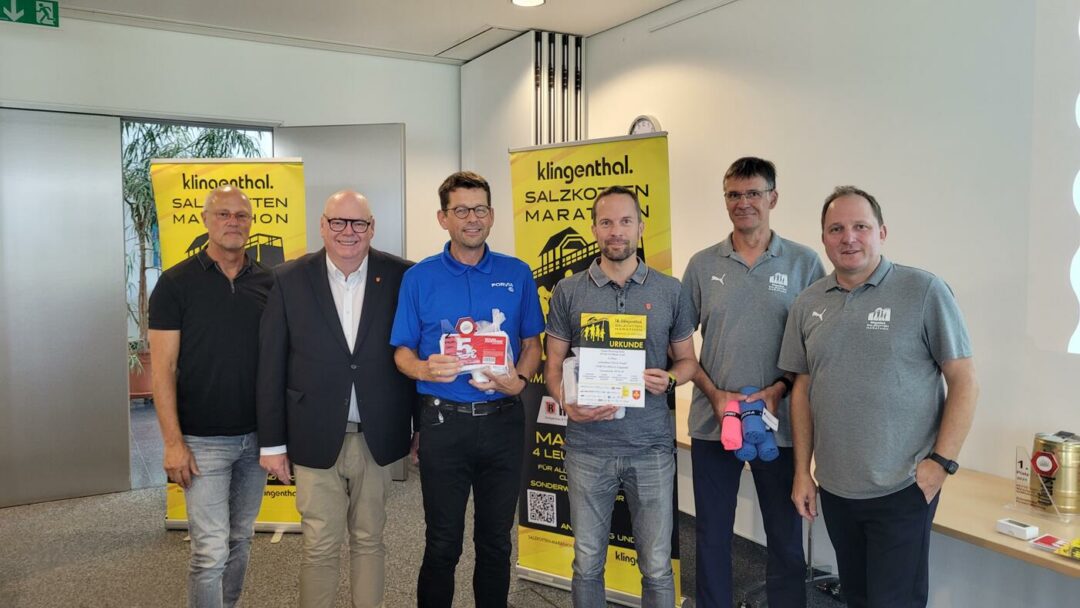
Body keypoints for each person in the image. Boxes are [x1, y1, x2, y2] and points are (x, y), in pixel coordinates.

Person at [779, 186, 979, 608]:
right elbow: (803, 389)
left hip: (902, 488)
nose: (848, 237)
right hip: (836, 488)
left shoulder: (923, 290)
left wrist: (941, 464)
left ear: (882, 232)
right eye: (836, 229)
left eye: (861, 227)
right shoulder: (808, 303)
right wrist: (802, 472)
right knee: (857, 596)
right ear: (823, 238)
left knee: (895, 601)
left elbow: (964, 380)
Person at [390, 171, 544, 608]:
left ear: (491, 215)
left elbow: (532, 344)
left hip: (503, 423)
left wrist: (520, 380)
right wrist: (422, 367)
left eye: (479, 209)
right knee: (442, 542)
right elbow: (401, 351)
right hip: (444, 424)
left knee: (496, 542)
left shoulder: (517, 273)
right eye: (461, 210)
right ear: (444, 218)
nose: (472, 218)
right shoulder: (419, 277)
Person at [257, 190, 416, 608]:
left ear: (372, 227)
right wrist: (272, 444)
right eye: (338, 222)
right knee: (319, 545)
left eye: (358, 222)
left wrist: (420, 428)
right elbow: (271, 365)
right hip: (312, 434)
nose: (349, 232)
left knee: (370, 540)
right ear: (323, 225)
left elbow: (415, 354)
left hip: (376, 435)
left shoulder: (402, 276)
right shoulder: (288, 279)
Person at [679, 157, 825, 608]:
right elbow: (678, 343)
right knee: (711, 535)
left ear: (772, 198)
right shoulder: (702, 265)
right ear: (725, 200)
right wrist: (713, 393)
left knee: (784, 538)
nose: (743, 203)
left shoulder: (804, 263)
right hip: (714, 421)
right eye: (734, 195)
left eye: (753, 193)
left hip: (780, 426)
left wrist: (778, 390)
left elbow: (816, 344)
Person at [544, 186, 699, 608]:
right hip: (587, 449)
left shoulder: (670, 290)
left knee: (656, 566)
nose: (616, 231)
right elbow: (552, 365)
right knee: (587, 562)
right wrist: (566, 401)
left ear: (640, 227)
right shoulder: (568, 291)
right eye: (607, 222)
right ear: (594, 229)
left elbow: (688, 361)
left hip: (650, 449)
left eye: (625, 221)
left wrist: (669, 379)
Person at [148, 185, 272, 608]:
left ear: (250, 223)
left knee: (240, 538)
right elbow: (162, 370)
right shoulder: (175, 284)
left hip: (257, 439)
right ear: (205, 220)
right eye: (223, 214)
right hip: (201, 442)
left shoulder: (270, 283)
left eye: (241, 215)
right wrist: (172, 443)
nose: (233, 222)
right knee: (209, 551)